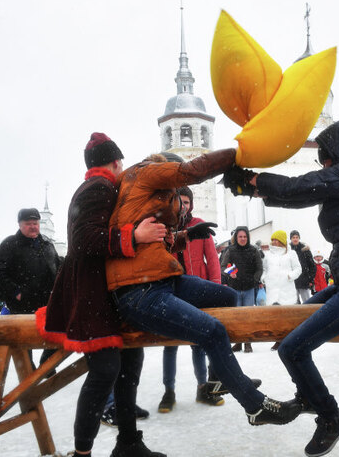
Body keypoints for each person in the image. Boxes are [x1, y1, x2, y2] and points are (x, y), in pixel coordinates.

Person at [224, 119, 339, 457]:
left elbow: (303, 187)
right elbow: (301, 196)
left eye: (326, 159)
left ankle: (330, 415)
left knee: (292, 348)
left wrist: (254, 181)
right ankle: (308, 393)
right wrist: (253, 188)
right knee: (293, 329)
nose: (324, 166)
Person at [105, 149, 301, 433]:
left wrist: (185, 236)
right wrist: (236, 155)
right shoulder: (148, 171)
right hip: (138, 291)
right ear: (168, 166)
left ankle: (218, 375)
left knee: (227, 297)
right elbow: (191, 171)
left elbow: (150, 245)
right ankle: (255, 406)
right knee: (211, 330)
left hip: (161, 279)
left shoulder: (146, 191)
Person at [36, 132, 168, 457]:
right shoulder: (98, 187)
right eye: (120, 162)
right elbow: (83, 239)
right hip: (91, 295)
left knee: (129, 363)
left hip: (105, 293)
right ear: (114, 162)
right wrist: (133, 235)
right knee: (106, 370)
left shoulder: (107, 188)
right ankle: (83, 453)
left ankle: (128, 442)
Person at [159, 184, 226, 411]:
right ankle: (168, 391)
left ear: (191, 204)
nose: (183, 206)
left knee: (199, 342)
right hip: (173, 290)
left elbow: (212, 258)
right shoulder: (164, 227)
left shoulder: (199, 226)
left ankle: (203, 387)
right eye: (180, 201)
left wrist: (215, 287)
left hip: (198, 289)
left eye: (187, 202)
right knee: (170, 344)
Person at [0, 207, 62, 367]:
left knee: (59, 330)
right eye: (28, 223)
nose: (33, 226)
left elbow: (57, 268)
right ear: (20, 224)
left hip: (47, 301)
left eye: (35, 223)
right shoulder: (10, 244)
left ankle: (47, 364)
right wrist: (16, 292)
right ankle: (28, 375)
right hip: (21, 304)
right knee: (23, 343)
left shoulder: (47, 244)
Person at [220, 226, 263, 353]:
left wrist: (254, 280)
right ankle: (238, 342)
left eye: (245, 236)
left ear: (248, 237)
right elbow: (223, 267)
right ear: (236, 238)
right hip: (234, 289)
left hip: (249, 288)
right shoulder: (230, 251)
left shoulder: (254, 250)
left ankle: (247, 342)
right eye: (240, 236)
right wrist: (230, 273)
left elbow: (259, 268)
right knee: (236, 317)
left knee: (248, 317)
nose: (243, 239)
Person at [262, 230, 302, 351]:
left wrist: (290, 276)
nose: (274, 242)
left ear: (282, 241)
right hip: (272, 290)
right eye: (273, 240)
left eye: (277, 240)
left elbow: (298, 269)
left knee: (288, 317)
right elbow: (264, 269)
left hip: (287, 289)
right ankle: (278, 340)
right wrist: (264, 278)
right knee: (276, 317)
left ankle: (290, 340)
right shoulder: (268, 255)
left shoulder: (291, 254)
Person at [289, 230, 316, 303]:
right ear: (291, 239)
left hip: (304, 280)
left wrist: (310, 279)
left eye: (297, 237)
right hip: (292, 281)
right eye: (293, 237)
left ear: (299, 238)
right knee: (294, 303)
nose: (295, 239)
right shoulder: (288, 250)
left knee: (307, 302)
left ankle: (308, 315)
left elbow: (312, 266)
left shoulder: (305, 250)